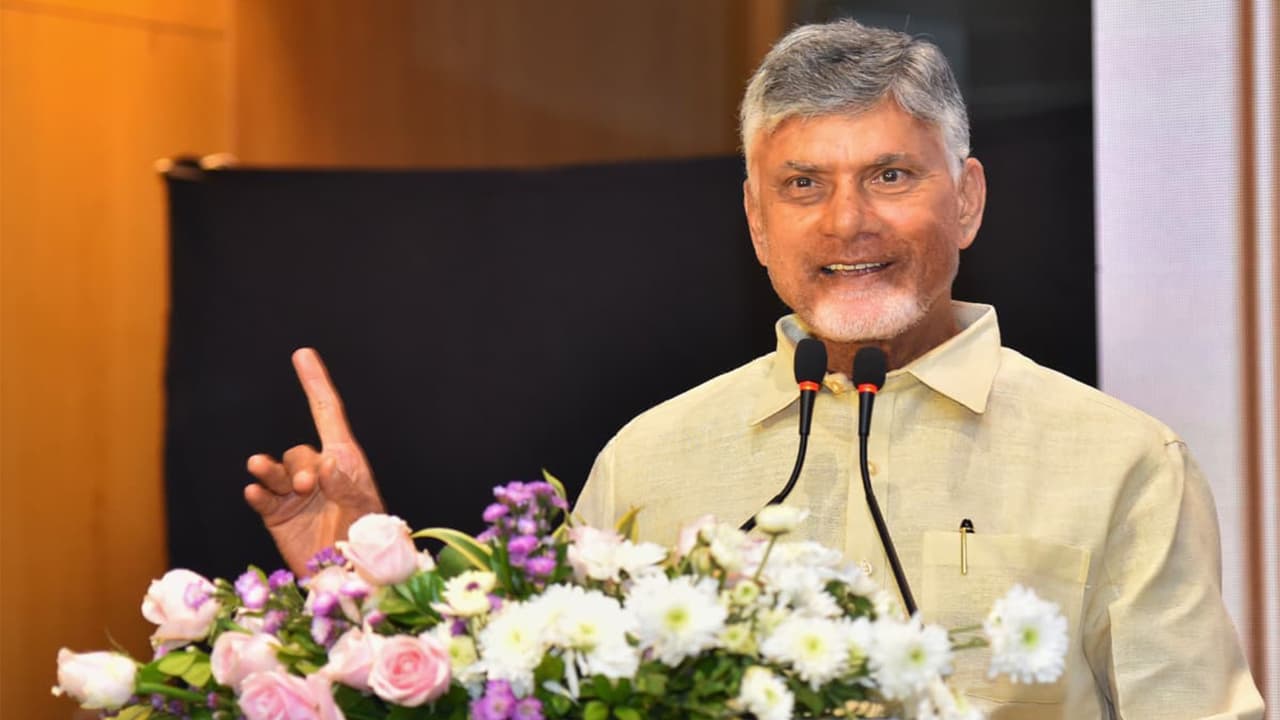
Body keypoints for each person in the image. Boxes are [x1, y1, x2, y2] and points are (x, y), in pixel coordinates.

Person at [243, 19, 1264, 719]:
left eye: (891, 176)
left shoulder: (1119, 461)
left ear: (967, 200)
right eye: (802, 183)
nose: (846, 221)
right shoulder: (650, 459)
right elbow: (534, 694)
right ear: (753, 219)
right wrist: (367, 587)